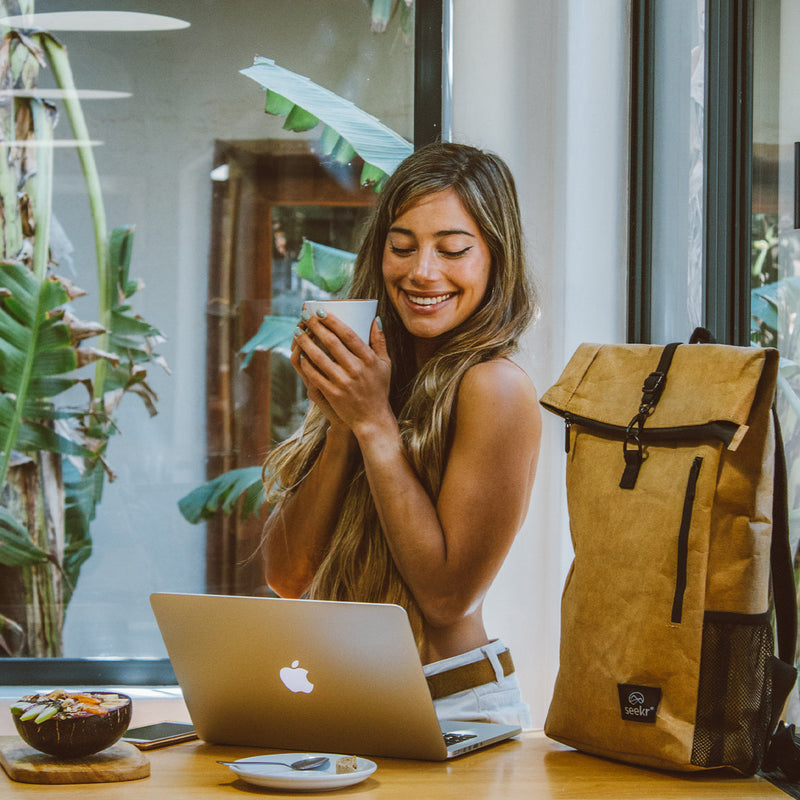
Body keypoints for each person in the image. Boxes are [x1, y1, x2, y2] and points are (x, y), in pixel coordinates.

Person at [260, 142, 541, 728]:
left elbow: (445, 598)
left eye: (454, 249)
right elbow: (287, 577)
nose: (422, 272)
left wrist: (373, 424)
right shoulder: (375, 378)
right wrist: (344, 424)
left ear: (495, 257)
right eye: (403, 246)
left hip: (453, 708)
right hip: (343, 700)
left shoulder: (497, 387)